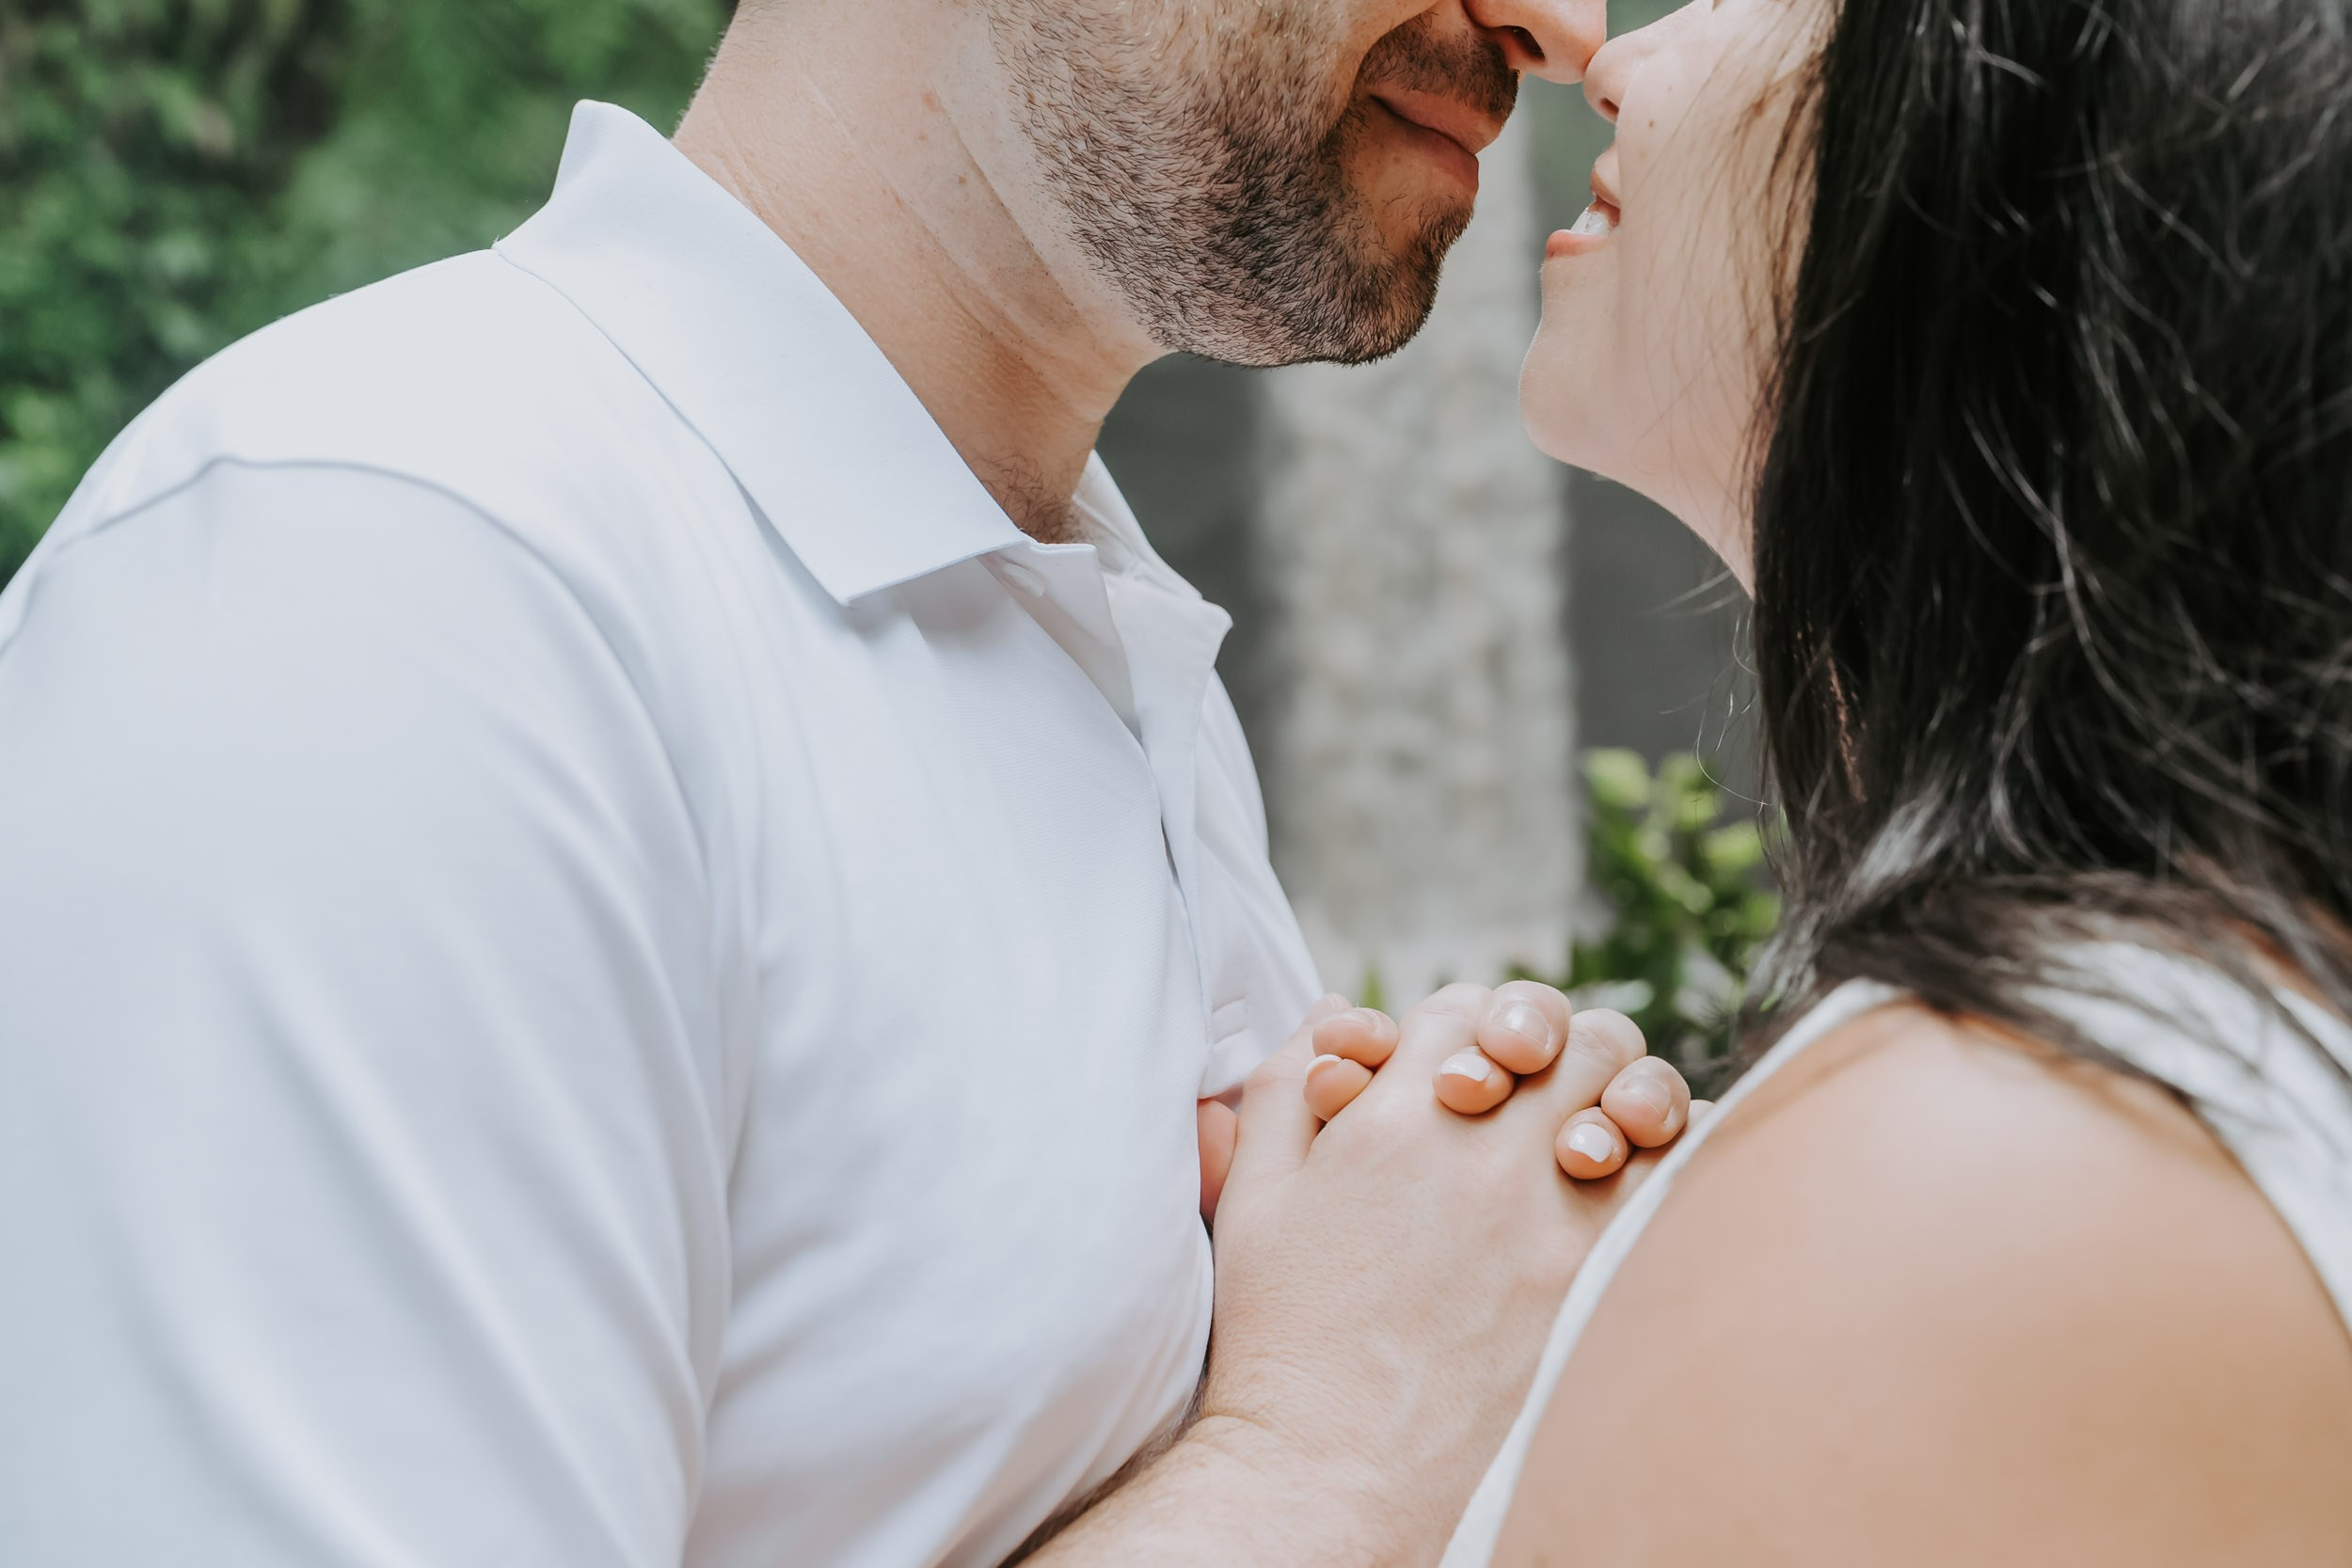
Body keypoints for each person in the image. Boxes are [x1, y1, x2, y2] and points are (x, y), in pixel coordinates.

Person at [0, 4, 1700, 1567]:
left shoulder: (1078, 627)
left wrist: (1417, 1277)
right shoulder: (385, 592)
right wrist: (1328, 1454)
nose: (1559, 26)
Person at [1314, 0, 2352, 1560]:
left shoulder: (1986, 1180)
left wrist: (1318, 1417)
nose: (1606, 55)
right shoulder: (2136, 1082)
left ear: (2036, 181)